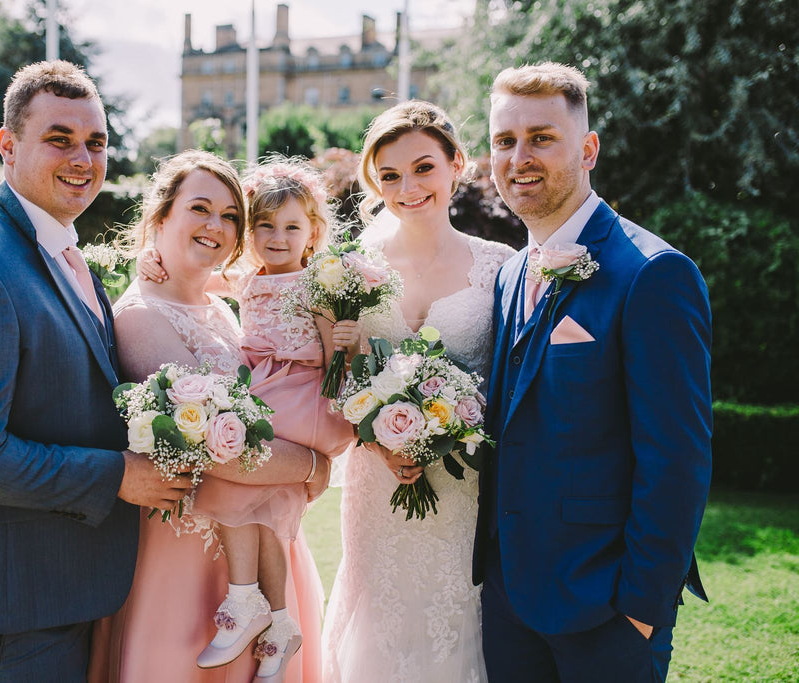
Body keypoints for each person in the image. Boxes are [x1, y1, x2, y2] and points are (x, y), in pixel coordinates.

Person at [0, 61, 190, 681]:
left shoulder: (60, 247)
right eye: (60, 139)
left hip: (64, 583)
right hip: (13, 602)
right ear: (7, 144)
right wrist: (118, 476)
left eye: (96, 142)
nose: (84, 157)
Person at [473, 62, 712, 682]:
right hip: (508, 601)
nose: (519, 157)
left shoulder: (653, 274)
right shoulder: (507, 275)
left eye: (541, 138)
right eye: (505, 141)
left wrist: (641, 607)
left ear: (588, 149)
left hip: (606, 611)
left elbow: (677, 459)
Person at [88, 150, 331, 683]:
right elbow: (211, 448)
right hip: (186, 553)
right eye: (200, 208)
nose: (216, 226)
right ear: (161, 215)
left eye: (229, 216)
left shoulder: (221, 307)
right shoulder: (140, 318)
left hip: (259, 533)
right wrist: (314, 466)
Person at [322, 100, 516, 682]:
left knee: (455, 620)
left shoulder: (499, 267)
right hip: (375, 486)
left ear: (457, 163)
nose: (408, 187)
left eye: (424, 167)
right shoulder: (352, 270)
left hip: (464, 494)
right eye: (389, 175)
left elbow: (512, 384)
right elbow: (336, 381)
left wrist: (452, 426)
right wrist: (375, 437)